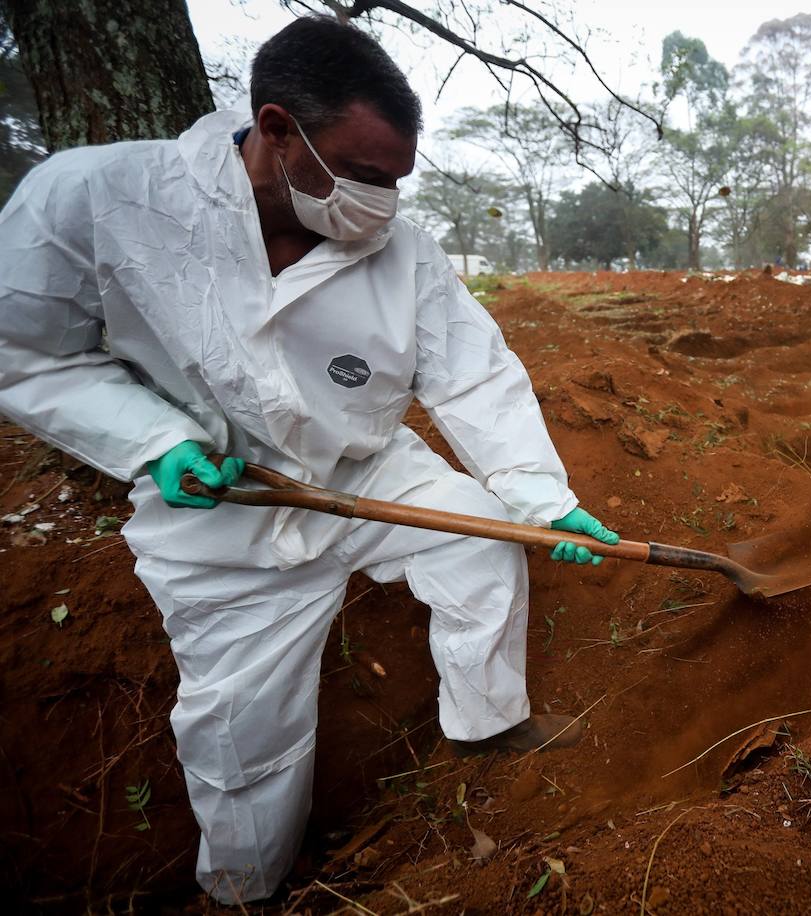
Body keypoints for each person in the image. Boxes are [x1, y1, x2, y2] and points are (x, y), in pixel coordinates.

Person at [0, 17, 618, 905]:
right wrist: (152, 441)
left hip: (364, 469)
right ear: (278, 129)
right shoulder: (99, 199)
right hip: (227, 505)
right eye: (366, 177)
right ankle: (245, 891)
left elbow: (475, 377)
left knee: (481, 548)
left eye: (398, 183)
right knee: (243, 737)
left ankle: (485, 727)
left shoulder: (400, 250)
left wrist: (539, 500)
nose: (383, 205)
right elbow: (26, 352)